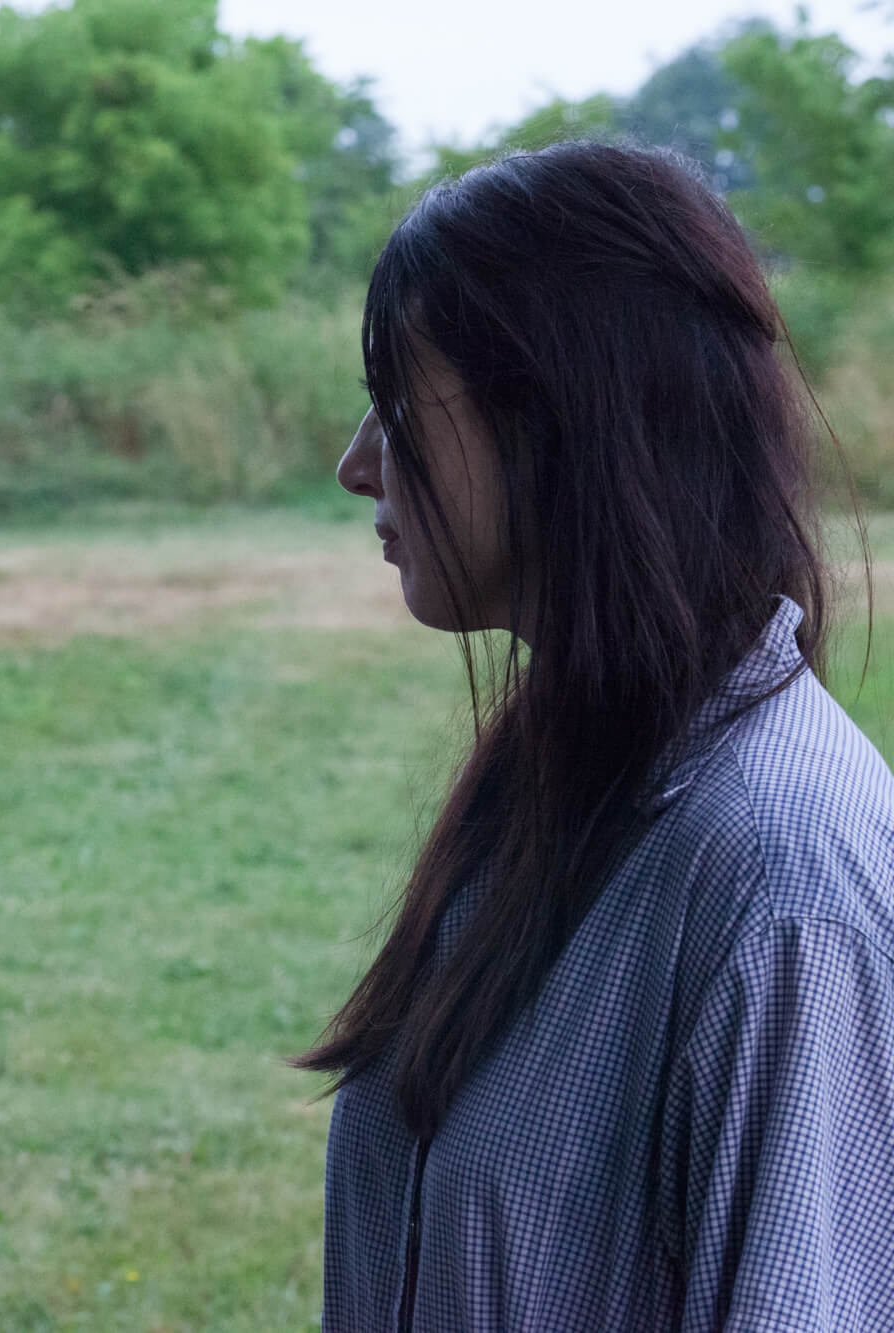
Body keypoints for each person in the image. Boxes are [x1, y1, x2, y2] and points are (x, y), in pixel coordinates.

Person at [314, 140, 894, 1329]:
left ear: (555, 420)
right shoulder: (564, 770)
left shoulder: (780, 872)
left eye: (393, 402)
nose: (354, 462)